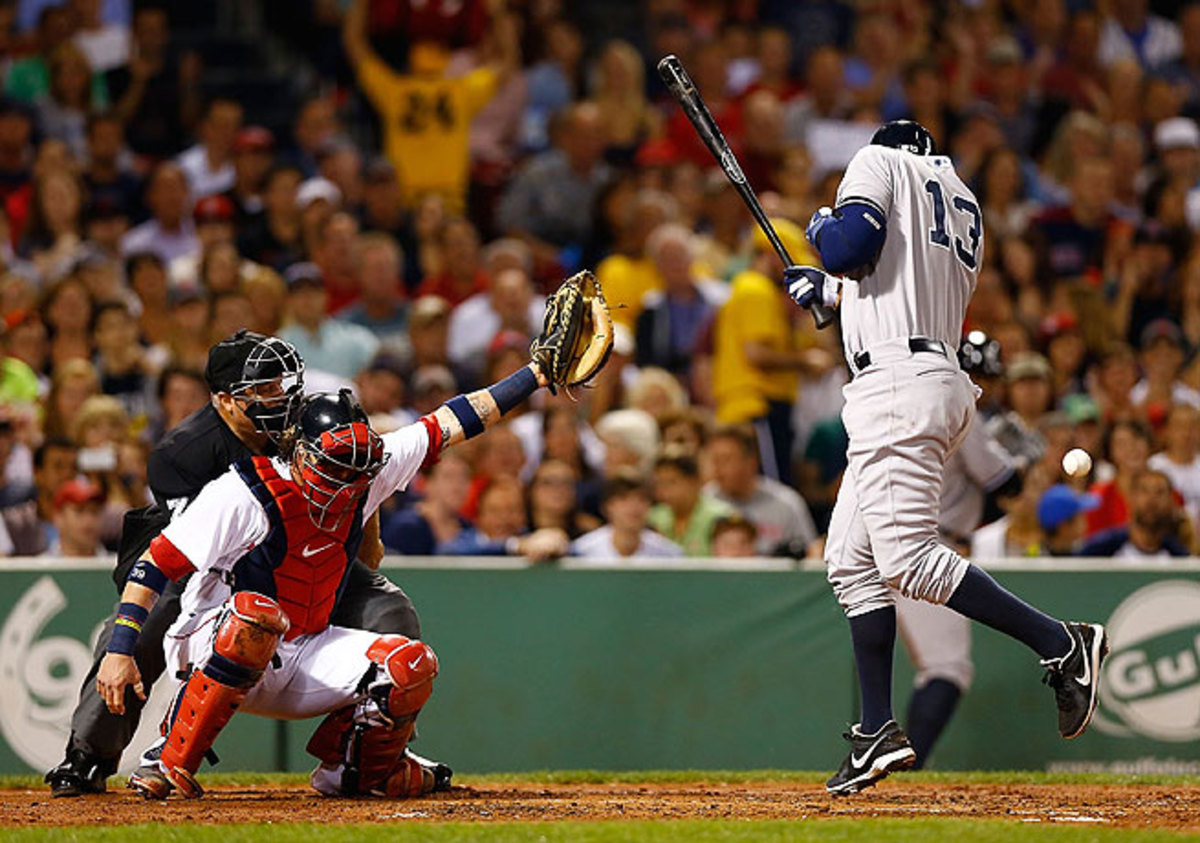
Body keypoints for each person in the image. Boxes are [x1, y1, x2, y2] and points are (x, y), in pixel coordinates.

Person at [95, 340, 567, 800]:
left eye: (356, 466)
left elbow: (454, 420)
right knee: (254, 616)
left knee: (410, 663)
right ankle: (168, 760)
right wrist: (121, 650)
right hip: (211, 642)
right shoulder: (243, 491)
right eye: (335, 464)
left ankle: (351, 772)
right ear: (299, 453)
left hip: (303, 645)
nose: (347, 479)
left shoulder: (370, 466)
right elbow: (155, 564)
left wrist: (536, 376)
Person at [788, 120, 1108, 796]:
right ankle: (877, 727)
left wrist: (819, 228)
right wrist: (826, 292)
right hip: (924, 372)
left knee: (903, 556)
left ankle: (1061, 641)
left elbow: (851, 242)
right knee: (851, 558)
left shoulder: (877, 159)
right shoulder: (956, 192)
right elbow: (879, 277)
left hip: (899, 385)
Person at [44, 332, 436, 799]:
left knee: (387, 608)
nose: (284, 397)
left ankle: (380, 750)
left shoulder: (309, 416)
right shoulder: (183, 453)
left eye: (284, 384)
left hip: (306, 544)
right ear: (226, 401)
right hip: (211, 565)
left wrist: (361, 532)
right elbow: (181, 552)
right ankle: (89, 754)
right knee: (142, 622)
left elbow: (363, 477)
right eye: (266, 389)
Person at [704, 423, 817, 556]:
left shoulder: (786, 503)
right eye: (715, 461)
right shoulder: (704, 500)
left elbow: (811, 553)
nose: (718, 470)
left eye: (725, 460)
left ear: (751, 461)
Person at [571, 468, 682, 560]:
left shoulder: (669, 555)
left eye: (641, 499)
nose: (634, 507)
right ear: (607, 506)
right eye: (624, 499)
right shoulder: (582, 552)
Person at [1079, 469, 1190, 558]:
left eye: (1160, 492)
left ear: (1171, 502)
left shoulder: (1179, 557)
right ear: (1130, 498)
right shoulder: (1099, 550)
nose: (1151, 500)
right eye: (1144, 491)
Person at [647, 447, 734, 557]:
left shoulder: (722, 517)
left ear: (695, 481)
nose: (664, 491)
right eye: (659, 483)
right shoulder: (652, 518)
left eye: (671, 482)